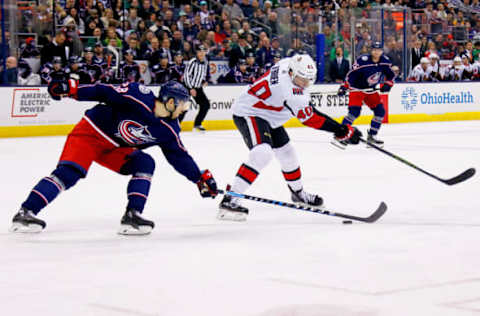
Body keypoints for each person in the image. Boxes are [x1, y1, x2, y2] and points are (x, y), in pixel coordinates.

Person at [10, 80, 218, 235]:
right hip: (91, 133)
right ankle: (26, 212)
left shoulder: (169, 129)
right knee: (69, 173)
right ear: (171, 102)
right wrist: (71, 90)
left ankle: (132, 216)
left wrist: (199, 178)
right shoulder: (139, 95)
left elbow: (179, 156)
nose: (185, 109)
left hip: (114, 148)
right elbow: (104, 91)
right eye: (183, 104)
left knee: (144, 162)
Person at [217, 55, 362, 221]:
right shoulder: (289, 91)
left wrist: (341, 129)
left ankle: (298, 193)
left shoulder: (289, 63)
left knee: (288, 154)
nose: (306, 83)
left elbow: (307, 105)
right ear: (292, 73)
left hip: (270, 114)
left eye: (309, 79)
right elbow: (311, 118)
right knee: (262, 153)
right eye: (302, 79)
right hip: (250, 112)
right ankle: (230, 199)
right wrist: (341, 130)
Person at [336, 42, 395, 147]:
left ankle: (372, 136)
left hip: (370, 90)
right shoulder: (362, 60)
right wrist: (344, 86)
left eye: (379, 50)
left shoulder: (385, 61)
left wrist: (388, 84)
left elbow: (391, 75)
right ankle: (340, 135)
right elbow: (351, 75)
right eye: (374, 49)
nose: (376, 52)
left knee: (380, 112)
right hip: (357, 89)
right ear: (371, 50)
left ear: (382, 51)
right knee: (354, 113)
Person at [183, 45, 212, 132]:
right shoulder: (192, 61)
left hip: (198, 88)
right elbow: (186, 75)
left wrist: (204, 81)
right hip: (188, 87)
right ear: (197, 52)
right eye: (200, 51)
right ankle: (176, 124)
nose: (202, 53)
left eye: (203, 51)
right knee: (183, 107)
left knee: (206, 105)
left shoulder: (206, 62)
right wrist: (190, 88)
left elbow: (203, 74)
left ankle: (197, 124)